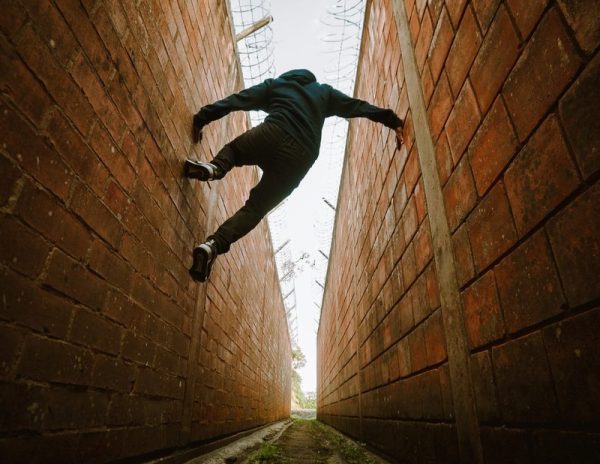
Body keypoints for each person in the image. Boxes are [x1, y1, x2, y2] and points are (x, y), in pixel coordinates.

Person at [185, 69, 404, 282]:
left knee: (233, 152)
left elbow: (238, 100)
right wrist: (392, 121)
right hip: (301, 156)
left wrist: (202, 117)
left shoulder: (277, 85)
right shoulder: (323, 92)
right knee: (255, 208)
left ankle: (215, 168)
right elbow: (356, 106)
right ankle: (212, 246)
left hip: (273, 132)